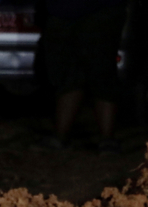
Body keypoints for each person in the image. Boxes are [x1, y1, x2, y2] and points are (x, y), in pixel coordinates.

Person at [40, 0, 127, 154]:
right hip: (62, 12)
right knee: (67, 72)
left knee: (102, 71)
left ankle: (107, 139)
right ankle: (61, 136)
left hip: (101, 11)